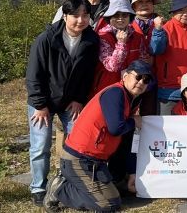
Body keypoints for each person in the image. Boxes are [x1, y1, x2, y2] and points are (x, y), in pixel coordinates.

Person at [43, 61, 151, 212]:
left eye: (146, 80)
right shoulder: (115, 93)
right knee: (108, 205)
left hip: (96, 160)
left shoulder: (130, 99)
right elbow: (116, 128)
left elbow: (128, 138)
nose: (141, 82)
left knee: (114, 198)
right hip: (79, 158)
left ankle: (73, 184)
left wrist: (132, 171)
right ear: (125, 76)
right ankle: (59, 190)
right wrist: (134, 121)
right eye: (138, 77)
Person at [26, 0, 100, 206]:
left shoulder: (91, 40)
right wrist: (40, 105)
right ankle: (39, 187)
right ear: (65, 16)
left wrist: (79, 99)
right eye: (75, 15)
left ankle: (67, 184)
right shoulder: (46, 39)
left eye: (85, 15)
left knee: (77, 143)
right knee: (41, 145)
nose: (80, 20)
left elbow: (88, 75)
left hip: (71, 101)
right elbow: (34, 74)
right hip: (43, 101)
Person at [92, 0, 147, 97]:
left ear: (130, 17)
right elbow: (112, 66)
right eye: (116, 15)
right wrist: (121, 43)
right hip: (107, 87)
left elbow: (142, 62)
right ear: (109, 17)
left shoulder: (137, 37)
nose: (120, 19)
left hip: (131, 89)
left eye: (124, 15)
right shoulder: (102, 37)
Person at [128, 0, 162, 115]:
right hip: (132, 80)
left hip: (156, 79)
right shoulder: (127, 26)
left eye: (148, 1)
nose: (144, 5)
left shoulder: (164, 25)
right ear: (133, 6)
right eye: (140, 2)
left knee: (151, 116)